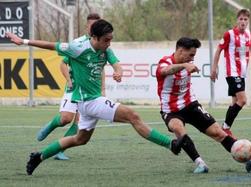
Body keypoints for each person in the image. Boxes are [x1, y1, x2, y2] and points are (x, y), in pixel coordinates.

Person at [6, 19, 182, 176]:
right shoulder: (78, 48)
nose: (109, 43)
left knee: (79, 139)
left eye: (111, 39)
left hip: (89, 103)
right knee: (132, 115)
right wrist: (24, 42)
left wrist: (118, 72)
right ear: (95, 38)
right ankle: (171, 144)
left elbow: (116, 64)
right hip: (89, 101)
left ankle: (39, 156)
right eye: (106, 40)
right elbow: (52, 45)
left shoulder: (105, 49)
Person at [156, 37, 251, 173]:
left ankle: (248, 161)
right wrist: (183, 66)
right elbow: (165, 71)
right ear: (181, 51)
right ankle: (200, 164)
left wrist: (187, 64)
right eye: (191, 55)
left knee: (218, 132)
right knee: (179, 130)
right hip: (171, 111)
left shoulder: (188, 62)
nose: (192, 59)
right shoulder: (165, 62)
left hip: (191, 105)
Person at [36, 13, 109, 161]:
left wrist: (103, 88)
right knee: (65, 119)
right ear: (87, 26)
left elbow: (100, 68)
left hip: (89, 92)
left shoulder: (102, 44)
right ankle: (51, 125)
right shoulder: (78, 44)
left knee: (79, 122)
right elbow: (63, 63)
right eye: (91, 25)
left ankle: (60, 150)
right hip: (74, 86)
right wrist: (69, 80)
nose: (94, 27)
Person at [211, 9, 251, 137]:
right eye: (241, 19)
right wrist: (214, 68)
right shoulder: (229, 34)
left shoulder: (249, 34)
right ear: (237, 20)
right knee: (243, 100)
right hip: (232, 72)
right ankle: (225, 128)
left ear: (248, 21)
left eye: (245, 19)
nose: (243, 21)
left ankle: (226, 129)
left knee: (234, 102)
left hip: (241, 73)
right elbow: (218, 50)